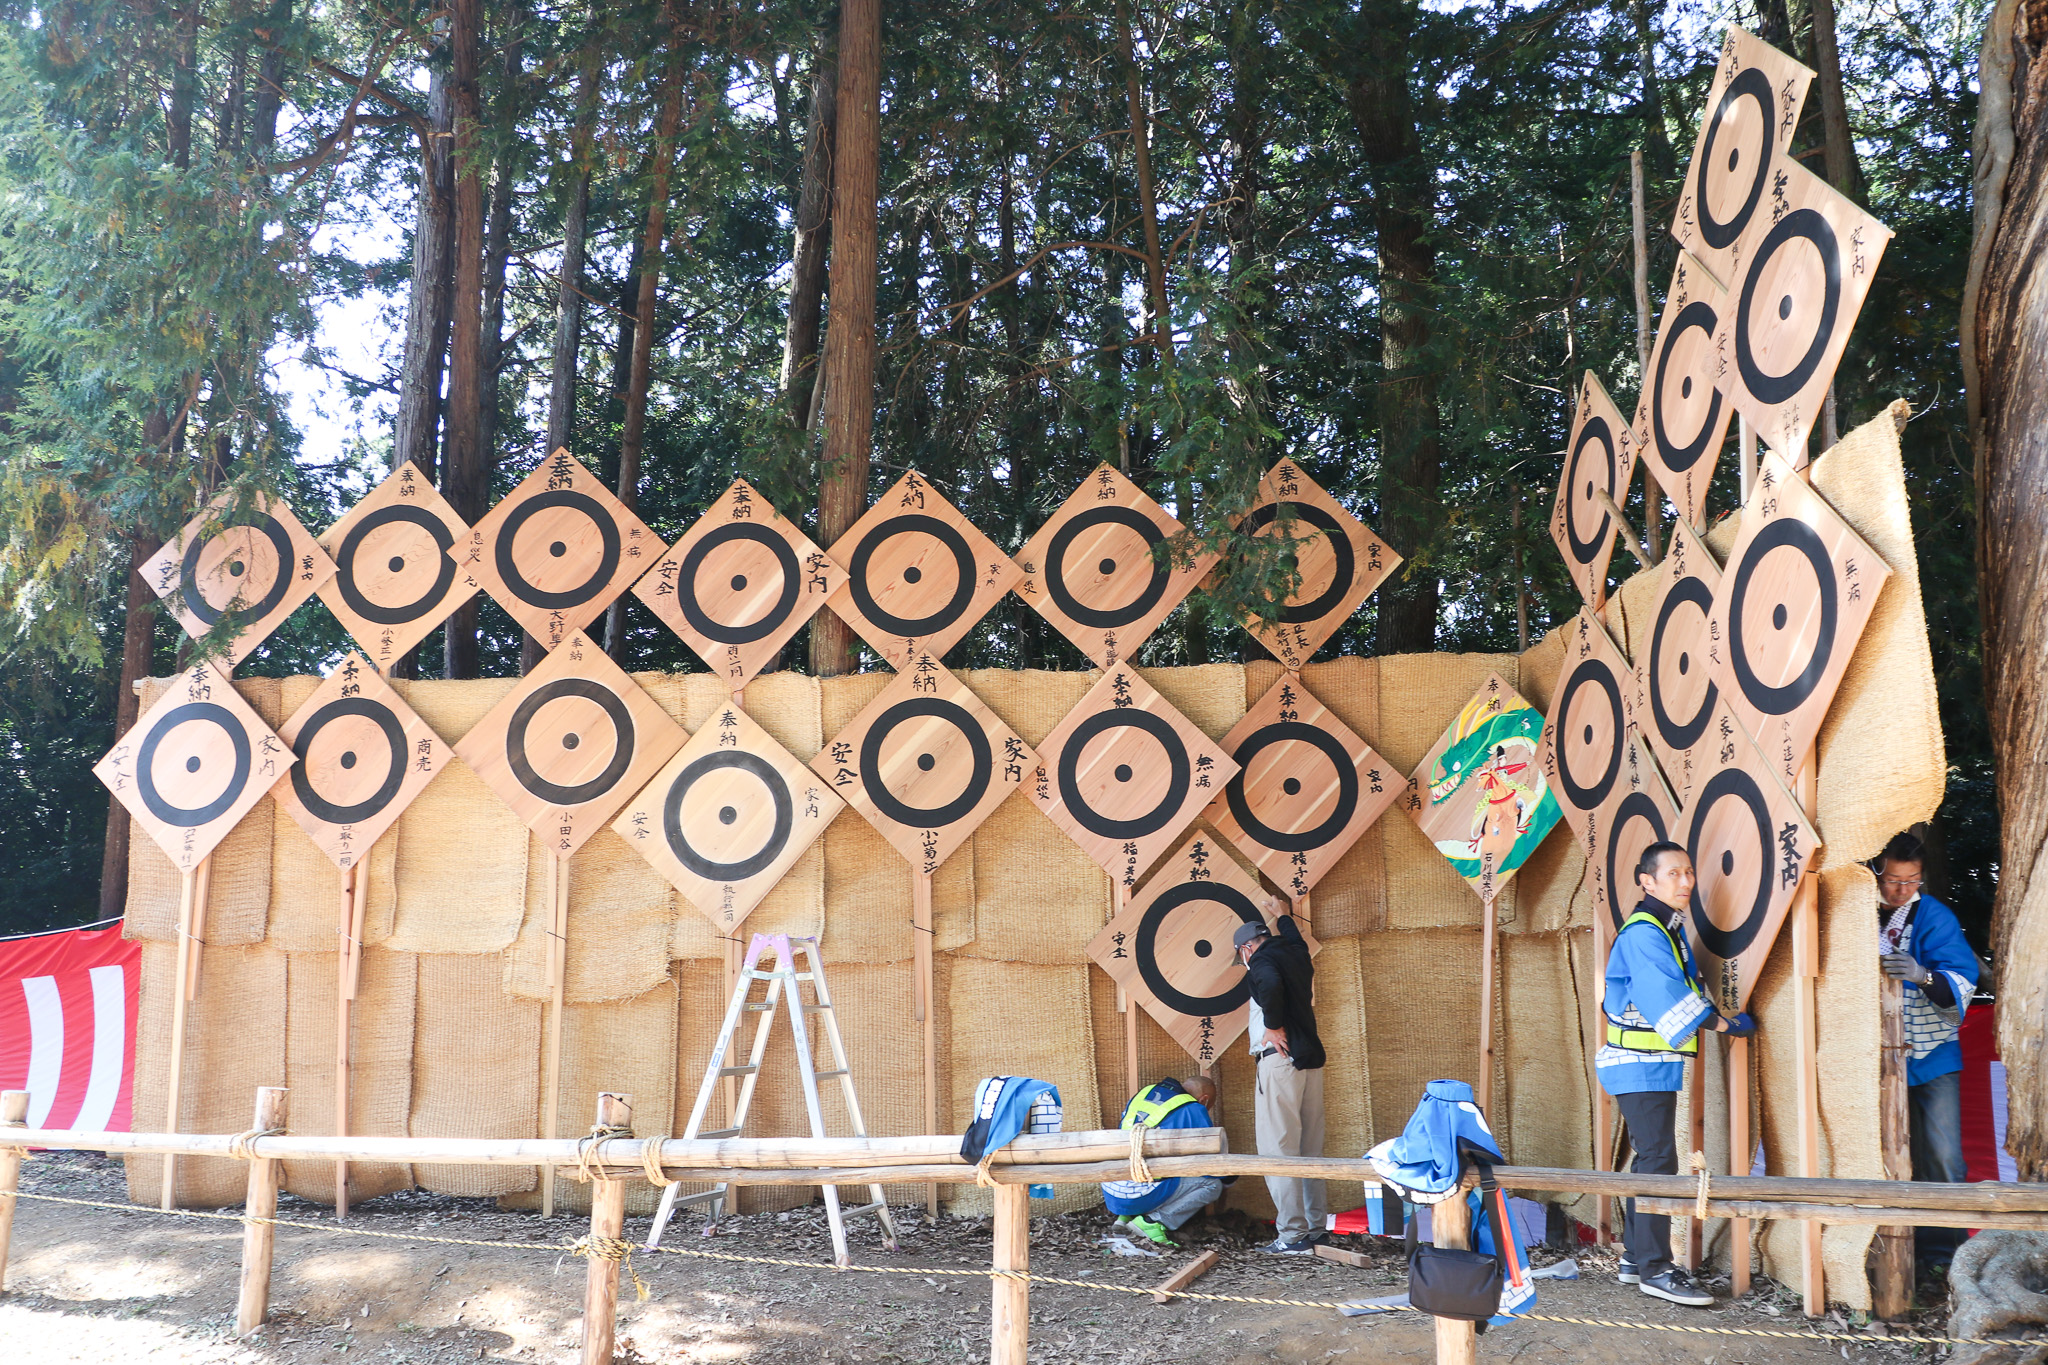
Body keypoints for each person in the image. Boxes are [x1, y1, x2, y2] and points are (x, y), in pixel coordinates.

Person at [1598, 841, 1755, 1308]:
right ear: (1646, 881)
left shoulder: (1664, 928)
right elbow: (1663, 993)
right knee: (1659, 1159)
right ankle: (1655, 1268)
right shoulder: (1646, 932)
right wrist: (1725, 1024)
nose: (1685, 882)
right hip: (1639, 1063)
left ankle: (1635, 1257)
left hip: (1647, 1063)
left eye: (1688, 873)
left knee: (1650, 1158)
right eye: (1673, 874)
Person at [1872, 831, 1981, 1274]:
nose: (1902, 890)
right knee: (1882, 1154)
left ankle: (1946, 1258)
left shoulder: (1932, 915)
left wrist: (1921, 974)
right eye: (1894, 880)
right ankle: (1890, 1255)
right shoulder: (1853, 910)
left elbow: (1961, 977)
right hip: (1872, 1053)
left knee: (1943, 1155)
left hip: (1931, 1049)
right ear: (1877, 872)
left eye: (1912, 880)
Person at [1235, 913, 1327, 1254]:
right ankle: (1316, 1228)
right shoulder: (1296, 953)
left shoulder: (1261, 961)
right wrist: (1282, 915)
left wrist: (1271, 1025)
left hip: (1279, 1063)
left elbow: (1270, 983)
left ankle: (1292, 1235)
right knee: (1310, 1150)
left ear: (1246, 948)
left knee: (1279, 1150)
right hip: (1309, 1062)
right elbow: (1295, 937)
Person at [1102, 1076, 1227, 1247]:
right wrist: (1229, 1177)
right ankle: (1151, 1223)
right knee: (1212, 1185)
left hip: (1111, 1189)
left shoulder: (1145, 1092)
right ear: (1204, 1100)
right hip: (1139, 1194)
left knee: (1146, 1167)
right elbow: (1208, 1164)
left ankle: (1124, 1218)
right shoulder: (1193, 1108)